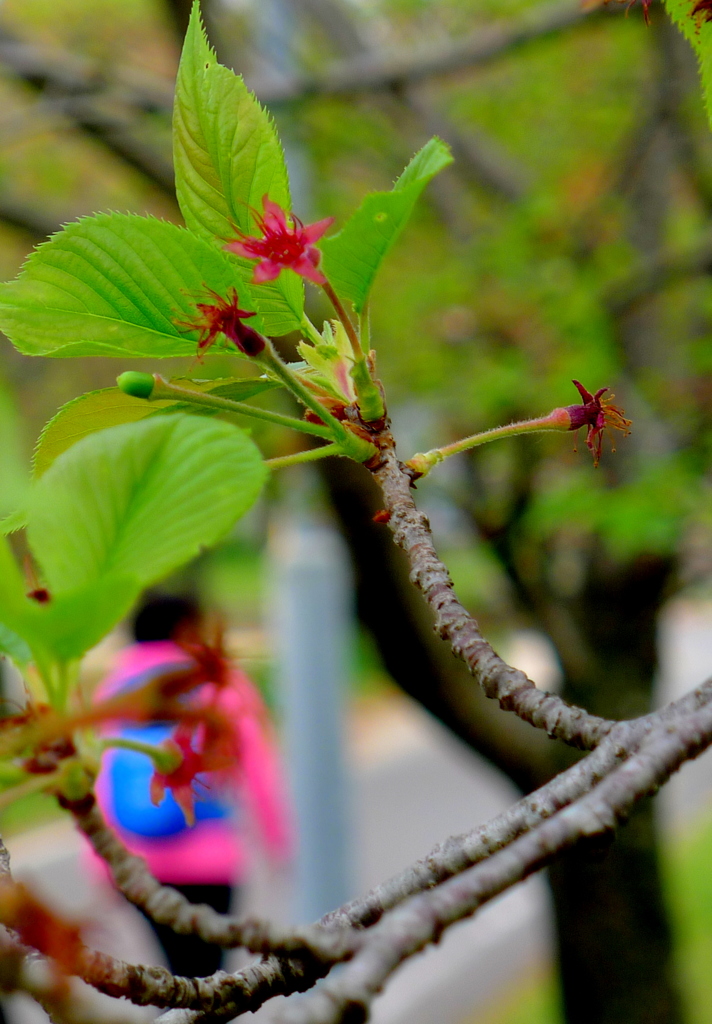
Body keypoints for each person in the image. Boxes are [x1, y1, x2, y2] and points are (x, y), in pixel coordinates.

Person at [89, 595, 292, 978]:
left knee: (177, 976)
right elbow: (259, 767)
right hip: (210, 864)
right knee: (204, 982)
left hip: (136, 866)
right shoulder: (223, 683)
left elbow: (97, 785)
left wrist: (102, 863)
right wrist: (277, 840)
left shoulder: (114, 687)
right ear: (187, 629)